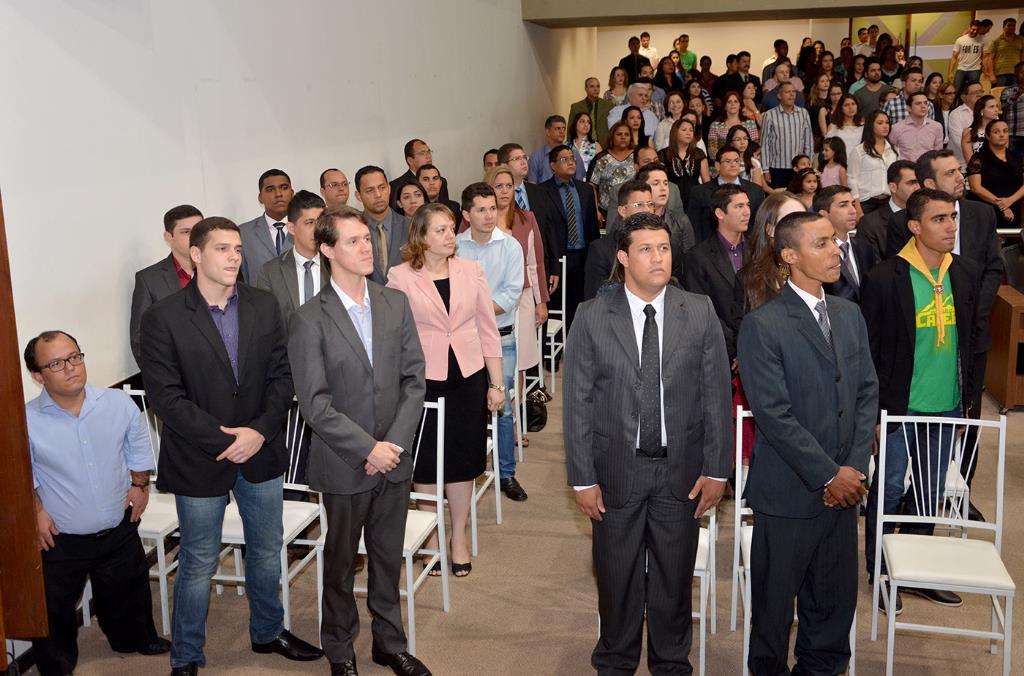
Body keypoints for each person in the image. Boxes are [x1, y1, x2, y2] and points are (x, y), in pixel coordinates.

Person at [140, 217, 321, 674]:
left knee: (265, 548)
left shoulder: (264, 305)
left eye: (238, 249)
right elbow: (166, 396)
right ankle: (186, 655)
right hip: (200, 455)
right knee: (199, 559)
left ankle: (267, 632)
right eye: (222, 249)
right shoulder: (163, 316)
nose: (234, 257)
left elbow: (283, 378)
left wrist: (257, 432)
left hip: (259, 449)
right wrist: (225, 440)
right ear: (196, 255)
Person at [566, 211, 731, 675]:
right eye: (645, 249)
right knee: (616, 578)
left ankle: (671, 663)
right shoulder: (593, 315)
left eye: (663, 248)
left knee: (673, 580)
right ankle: (615, 662)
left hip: (681, 470)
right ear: (622, 257)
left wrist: (718, 469)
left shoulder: (697, 309)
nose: (658, 257)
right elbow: (577, 403)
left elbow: (717, 396)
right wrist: (581, 478)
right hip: (616, 467)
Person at [287, 205, 431, 676]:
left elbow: (414, 380)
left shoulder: (393, 301)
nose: (366, 247)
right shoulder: (310, 318)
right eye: (353, 241)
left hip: (394, 457)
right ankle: (340, 648)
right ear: (326, 249)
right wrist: (368, 448)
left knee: (387, 557)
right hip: (344, 462)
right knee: (342, 561)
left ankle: (389, 643)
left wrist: (391, 445)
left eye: (367, 239)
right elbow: (315, 403)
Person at [738, 210, 877, 675]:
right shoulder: (764, 324)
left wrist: (854, 468)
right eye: (821, 243)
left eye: (835, 241)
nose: (835, 250)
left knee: (833, 612)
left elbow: (865, 393)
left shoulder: (849, 314)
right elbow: (774, 416)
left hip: (845, 492)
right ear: (789, 256)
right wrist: (828, 474)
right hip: (788, 494)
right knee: (774, 615)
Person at [860, 188, 981, 612]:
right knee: (889, 488)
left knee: (929, 492)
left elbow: (972, 341)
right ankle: (880, 571)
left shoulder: (963, 272)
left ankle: (917, 569)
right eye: (939, 219)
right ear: (914, 226)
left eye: (952, 217)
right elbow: (870, 351)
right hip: (899, 405)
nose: (951, 226)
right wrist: (872, 413)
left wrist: (968, 401)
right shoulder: (884, 278)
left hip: (945, 403)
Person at [26, 330, 169, 676]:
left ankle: (138, 639)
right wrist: (36, 511)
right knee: (54, 609)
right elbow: (20, 474)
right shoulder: (24, 420)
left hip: (117, 526)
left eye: (75, 357)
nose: (71, 367)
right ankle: (56, 664)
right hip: (61, 535)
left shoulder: (117, 404)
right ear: (37, 375)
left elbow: (137, 447)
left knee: (129, 591)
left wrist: (140, 486)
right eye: (57, 363)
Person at [386, 202, 504, 577]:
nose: (450, 235)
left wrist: (497, 382)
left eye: (452, 228)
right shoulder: (399, 277)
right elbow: (395, 337)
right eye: (440, 230)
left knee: (462, 460)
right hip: (424, 379)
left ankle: (459, 537)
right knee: (426, 459)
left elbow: (488, 329)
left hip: (468, 376)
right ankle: (432, 535)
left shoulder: (472, 271)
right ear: (421, 237)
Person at [884, 151, 1003, 506]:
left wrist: (971, 313)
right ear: (929, 184)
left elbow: (993, 269)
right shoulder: (902, 225)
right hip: (919, 353)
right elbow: (899, 284)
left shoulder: (982, 214)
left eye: (959, 170)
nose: (960, 176)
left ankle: (961, 497)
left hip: (970, 336)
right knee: (898, 471)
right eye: (950, 172)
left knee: (967, 422)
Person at [455, 183, 527, 502]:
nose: (488, 215)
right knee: (467, 405)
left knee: (503, 406)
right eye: (481, 209)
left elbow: (511, 295)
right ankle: (466, 470)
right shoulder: (455, 247)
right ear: (466, 214)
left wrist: (474, 309)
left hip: (501, 337)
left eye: (492, 208)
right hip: (462, 339)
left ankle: (506, 473)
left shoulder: (510, 246)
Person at [483, 165, 550, 405]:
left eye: (509, 186)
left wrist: (540, 302)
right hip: (486, 301)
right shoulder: (477, 218)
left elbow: (536, 263)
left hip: (520, 299)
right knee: (490, 360)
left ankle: (514, 421)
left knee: (518, 361)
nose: (504, 191)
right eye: (498, 186)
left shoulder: (526, 219)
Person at [683, 184, 751, 361]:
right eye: (739, 206)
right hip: (719, 350)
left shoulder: (759, 251)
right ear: (720, 214)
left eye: (747, 205)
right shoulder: (698, 256)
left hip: (758, 344)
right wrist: (734, 351)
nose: (747, 212)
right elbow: (701, 310)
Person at [130, 204, 203, 367]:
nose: (195, 237)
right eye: (186, 232)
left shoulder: (219, 269)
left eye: (198, 229)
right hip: (176, 376)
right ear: (168, 237)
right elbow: (140, 340)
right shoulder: (149, 279)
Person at [539, 145, 601, 327]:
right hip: (558, 257)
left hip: (583, 255)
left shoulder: (586, 190)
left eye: (572, 159)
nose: (570, 162)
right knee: (558, 304)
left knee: (581, 301)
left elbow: (592, 226)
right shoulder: (543, 191)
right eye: (564, 159)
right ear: (553, 165)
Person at [255, 190, 328, 328]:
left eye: (321, 222)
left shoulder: (337, 264)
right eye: (310, 222)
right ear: (291, 228)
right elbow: (267, 323)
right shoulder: (270, 272)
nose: (318, 229)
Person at [585, 181, 659, 301]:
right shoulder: (601, 249)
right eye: (639, 205)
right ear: (622, 211)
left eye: (650, 204)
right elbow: (594, 300)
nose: (647, 210)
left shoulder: (662, 246)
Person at [741, 192, 807, 311]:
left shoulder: (820, 267)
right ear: (770, 230)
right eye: (791, 222)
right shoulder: (748, 278)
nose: (801, 229)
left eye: (805, 220)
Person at [687, 146, 766, 243]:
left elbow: (760, 224)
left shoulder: (755, 190)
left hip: (747, 247)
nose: (733, 165)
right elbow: (694, 226)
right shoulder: (700, 192)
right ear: (717, 165)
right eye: (728, 161)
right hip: (710, 248)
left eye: (736, 161)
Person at [815, 185, 876, 302]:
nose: (853, 211)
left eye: (853, 204)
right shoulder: (817, 253)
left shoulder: (865, 247)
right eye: (843, 205)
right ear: (823, 214)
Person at [855, 159, 919, 262]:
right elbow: (872, 267)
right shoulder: (870, 224)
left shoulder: (926, 217)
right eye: (911, 183)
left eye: (918, 182)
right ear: (893, 187)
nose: (917, 188)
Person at [238, 169, 294, 283]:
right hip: (258, 299)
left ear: (292, 193)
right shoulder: (243, 233)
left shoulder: (308, 229)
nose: (278, 194)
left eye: (284, 188)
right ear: (260, 197)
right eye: (270, 189)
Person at [967, 119, 1024, 229]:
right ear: (988, 136)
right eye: (996, 132)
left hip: (1013, 209)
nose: (1002, 135)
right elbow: (975, 188)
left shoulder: (1017, 157)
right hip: (986, 211)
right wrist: (1002, 205)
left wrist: (1010, 200)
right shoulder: (978, 158)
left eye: (1005, 131)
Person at [355, 165, 406, 285]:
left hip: (406, 300)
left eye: (382, 187)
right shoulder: (352, 232)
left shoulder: (411, 227)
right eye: (369, 190)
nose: (378, 194)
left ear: (389, 188)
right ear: (358, 196)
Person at [760, 82, 814, 190]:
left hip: (799, 168)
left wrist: (809, 165)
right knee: (779, 201)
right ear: (779, 95)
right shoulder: (769, 115)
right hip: (777, 168)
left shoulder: (803, 113)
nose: (792, 94)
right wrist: (765, 170)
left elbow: (808, 141)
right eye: (787, 92)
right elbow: (764, 143)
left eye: (793, 92)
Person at [848, 110, 898, 214]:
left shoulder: (894, 151)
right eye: (880, 123)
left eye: (887, 122)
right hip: (866, 203)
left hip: (888, 201)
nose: (885, 126)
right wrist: (858, 209)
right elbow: (852, 180)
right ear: (870, 125)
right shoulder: (859, 150)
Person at [658, 118, 709, 207]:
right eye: (684, 130)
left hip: (695, 200)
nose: (688, 133)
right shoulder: (663, 154)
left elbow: (707, 182)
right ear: (675, 132)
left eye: (691, 130)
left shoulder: (699, 153)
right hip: (671, 201)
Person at [589, 122, 637, 214]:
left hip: (634, 211)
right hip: (606, 211)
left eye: (626, 134)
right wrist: (595, 211)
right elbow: (591, 187)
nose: (623, 137)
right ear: (612, 137)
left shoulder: (638, 156)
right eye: (619, 134)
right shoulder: (601, 158)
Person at [389, 138, 450, 204]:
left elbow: (445, 208)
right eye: (422, 153)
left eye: (429, 152)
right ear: (410, 160)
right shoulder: (396, 186)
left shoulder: (441, 182)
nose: (428, 156)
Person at [528, 115, 585, 183]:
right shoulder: (536, 156)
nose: (562, 132)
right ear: (548, 132)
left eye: (564, 128)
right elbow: (532, 185)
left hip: (570, 192)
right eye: (558, 128)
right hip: (545, 192)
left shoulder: (574, 154)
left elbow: (580, 183)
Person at [889, 92, 944, 162]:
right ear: (909, 108)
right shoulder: (896, 129)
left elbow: (938, 155)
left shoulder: (936, 127)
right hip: (906, 169)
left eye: (925, 103)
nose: (923, 106)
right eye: (918, 103)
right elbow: (891, 153)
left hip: (928, 170)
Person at [707, 91, 760, 160]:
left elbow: (755, 146)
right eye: (729, 102)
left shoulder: (750, 123)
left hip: (747, 162)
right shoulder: (715, 125)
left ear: (740, 105)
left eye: (736, 101)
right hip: (723, 163)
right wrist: (727, 161)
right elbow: (712, 150)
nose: (733, 104)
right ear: (725, 106)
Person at [947, 81, 985, 168]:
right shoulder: (956, 114)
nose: (979, 94)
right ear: (964, 97)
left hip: (986, 160)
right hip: (960, 163)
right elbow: (960, 143)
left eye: (981, 91)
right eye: (975, 92)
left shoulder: (988, 110)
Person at [569, 77, 614, 146]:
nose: (596, 89)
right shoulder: (576, 107)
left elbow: (613, 128)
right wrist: (570, 146)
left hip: (604, 145)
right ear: (586, 89)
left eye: (598, 86)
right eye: (592, 86)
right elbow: (571, 128)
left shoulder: (608, 106)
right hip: (581, 146)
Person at [726, 124, 769, 190]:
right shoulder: (724, 161)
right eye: (738, 139)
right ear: (731, 143)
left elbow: (757, 189)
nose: (742, 142)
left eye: (745, 138)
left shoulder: (754, 162)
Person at [961, 95, 1000, 166]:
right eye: (992, 107)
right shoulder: (968, 132)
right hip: (976, 173)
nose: (996, 109)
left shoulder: (1002, 132)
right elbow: (971, 163)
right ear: (981, 110)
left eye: (997, 106)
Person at [984, 18, 1024, 86]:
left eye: (1014, 25)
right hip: (1000, 74)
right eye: (1009, 25)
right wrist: (991, 75)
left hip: (1016, 74)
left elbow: (1022, 56)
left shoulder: (1021, 40)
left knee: (1015, 95)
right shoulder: (996, 41)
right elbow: (990, 59)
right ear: (1003, 27)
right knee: (999, 94)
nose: (1012, 27)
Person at [949, 20, 986, 91]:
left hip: (975, 69)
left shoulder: (982, 40)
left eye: (977, 30)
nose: (975, 31)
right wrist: (950, 72)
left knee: (973, 90)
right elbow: (954, 57)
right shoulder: (960, 40)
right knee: (956, 90)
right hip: (961, 68)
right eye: (973, 29)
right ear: (969, 28)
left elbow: (985, 57)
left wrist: (986, 71)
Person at [1000, 61, 1024, 155]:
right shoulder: (1008, 91)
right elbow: (1006, 103)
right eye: (1022, 72)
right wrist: (1019, 93)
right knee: (1013, 162)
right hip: (1012, 134)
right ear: (1016, 75)